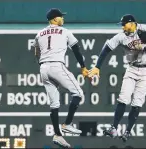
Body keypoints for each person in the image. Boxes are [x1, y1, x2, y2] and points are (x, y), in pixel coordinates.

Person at [88, 14, 146, 142]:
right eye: (122, 25)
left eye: (124, 24)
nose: (123, 26)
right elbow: (106, 49)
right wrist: (97, 67)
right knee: (123, 98)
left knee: (137, 102)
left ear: (132, 23)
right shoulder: (121, 36)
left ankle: (128, 132)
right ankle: (114, 128)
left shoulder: (145, 28)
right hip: (132, 69)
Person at [32, 8, 89, 148]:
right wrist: (83, 67)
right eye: (61, 17)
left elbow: (36, 53)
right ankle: (67, 124)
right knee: (78, 93)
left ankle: (58, 135)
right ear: (55, 19)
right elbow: (76, 49)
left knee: (54, 104)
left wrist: (45, 59)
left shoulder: (39, 34)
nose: (63, 19)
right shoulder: (65, 31)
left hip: (43, 68)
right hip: (57, 65)